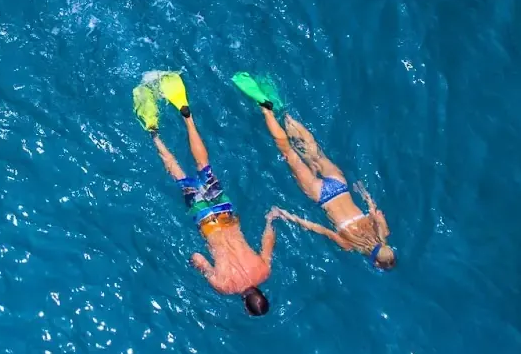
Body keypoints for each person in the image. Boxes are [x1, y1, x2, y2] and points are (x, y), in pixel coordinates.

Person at [134, 72, 275, 315]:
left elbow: (267, 240)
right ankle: (154, 134)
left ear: (262, 293)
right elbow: (198, 257)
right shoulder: (224, 286)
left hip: (225, 211)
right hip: (206, 222)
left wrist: (271, 219)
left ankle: (187, 118)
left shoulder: (264, 271)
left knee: (205, 167)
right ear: (244, 303)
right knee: (180, 178)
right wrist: (196, 264)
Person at [232, 73, 396, 268]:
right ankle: (267, 111)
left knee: (314, 150)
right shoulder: (349, 244)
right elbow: (319, 228)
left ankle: (286, 116)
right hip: (322, 195)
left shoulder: (382, 232)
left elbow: (373, 209)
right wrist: (286, 215)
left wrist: (364, 193)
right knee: (289, 153)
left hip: (340, 186)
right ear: (375, 262)